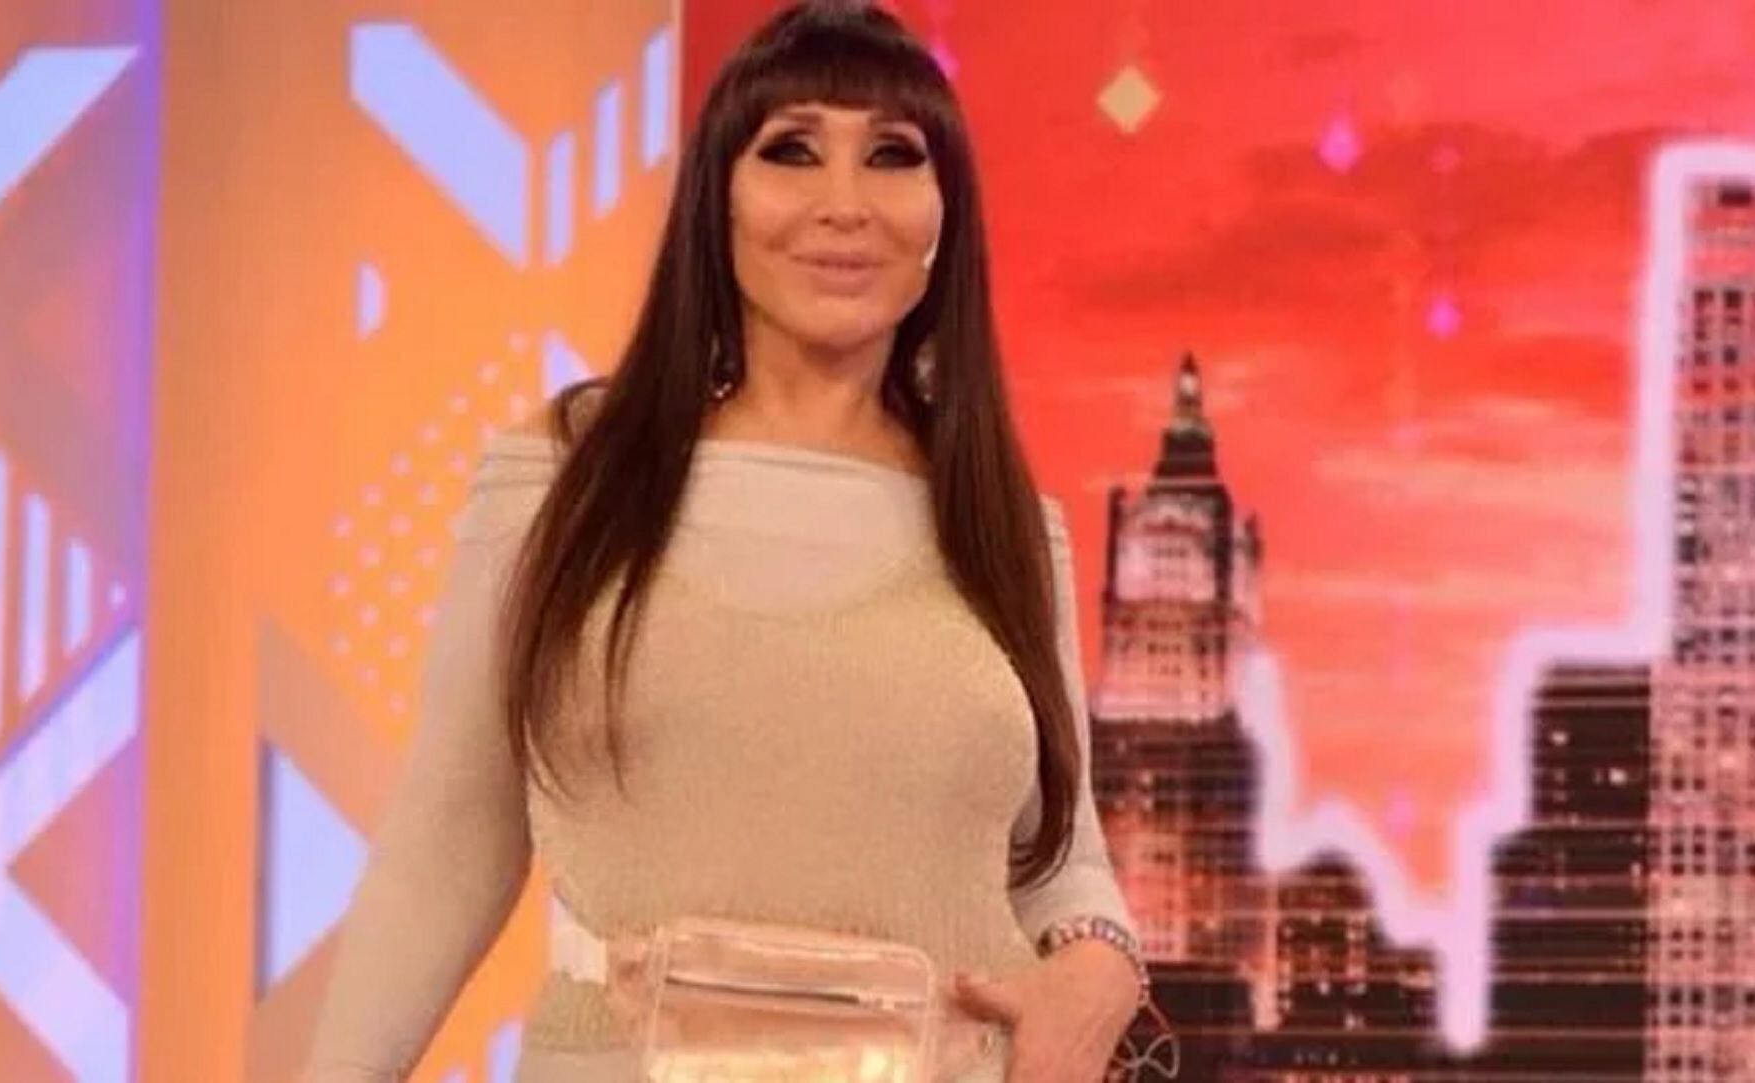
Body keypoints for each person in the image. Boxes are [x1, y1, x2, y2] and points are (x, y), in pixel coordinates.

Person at [305, 2, 1148, 1080]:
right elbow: (445, 848)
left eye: (893, 155)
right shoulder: (565, 476)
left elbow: (1060, 863)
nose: (844, 204)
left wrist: (1102, 965)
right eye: (791, 150)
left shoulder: (1004, 525)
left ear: (945, 214)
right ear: (719, 198)